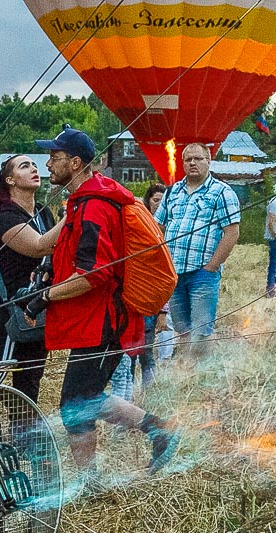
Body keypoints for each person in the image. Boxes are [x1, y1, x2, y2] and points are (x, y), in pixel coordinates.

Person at [28, 124, 178, 477]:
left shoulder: (95, 206)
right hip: (96, 318)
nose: (48, 164)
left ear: (76, 162)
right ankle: (155, 432)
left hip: (107, 320)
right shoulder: (85, 201)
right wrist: (48, 276)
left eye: (55, 157)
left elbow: (94, 274)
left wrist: (45, 296)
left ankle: (92, 478)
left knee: (75, 405)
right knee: (81, 401)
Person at [0, 155, 60, 403]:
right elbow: (40, 246)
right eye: (24, 166)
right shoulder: (4, 217)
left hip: (33, 305)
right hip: (1, 306)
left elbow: (55, 253)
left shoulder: (43, 212)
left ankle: (24, 436)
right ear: (9, 180)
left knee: (30, 377)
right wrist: (74, 210)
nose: (34, 169)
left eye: (34, 165)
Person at [153, 143, 240, 358]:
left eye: (198, 159)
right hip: (174, 272)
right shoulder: (172, 191)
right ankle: (186, 371)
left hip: (202, 272)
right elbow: (158, 228)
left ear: (209, 162)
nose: (193, 163)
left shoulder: (222, 192)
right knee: (182, 329)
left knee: (201, 330)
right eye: (188, 159)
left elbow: (232, 233)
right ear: (182, 163)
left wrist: (212, 266)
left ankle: (203, 374)